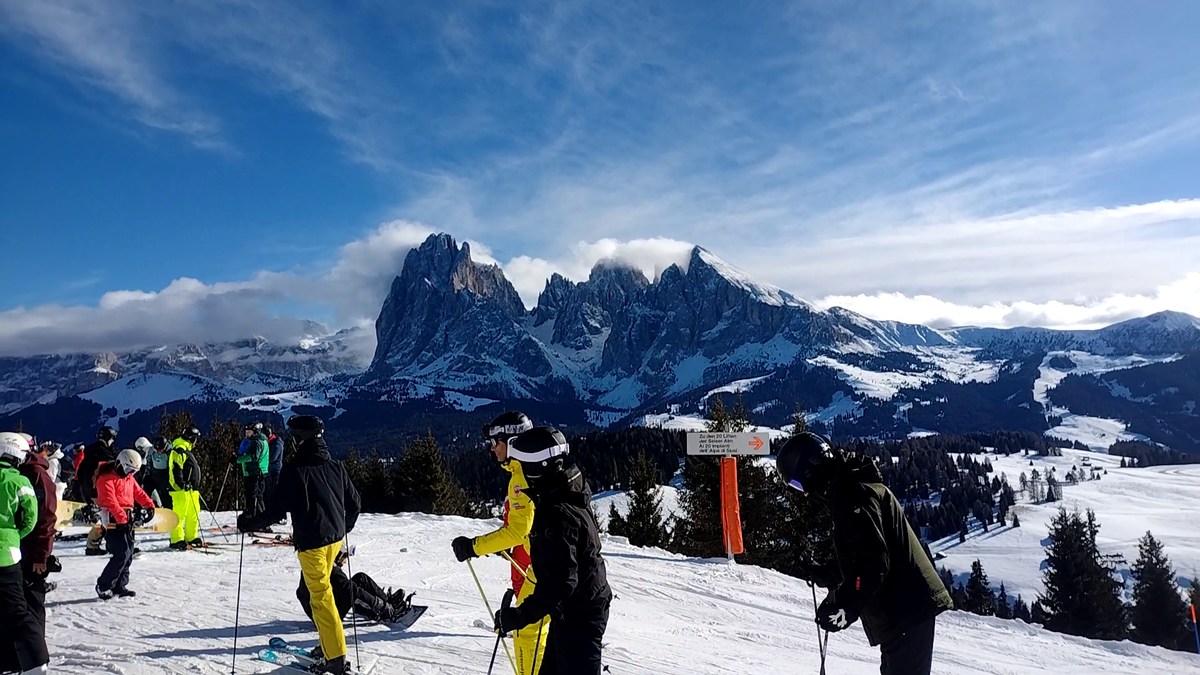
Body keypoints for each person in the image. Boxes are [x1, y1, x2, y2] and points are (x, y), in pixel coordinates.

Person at [775, 432, 953, 675]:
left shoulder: (851, 494)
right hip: (902, 607)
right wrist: (829, 573)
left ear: (810, 469)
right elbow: (863, 551)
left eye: (797, 484)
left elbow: (874, 562)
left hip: (905, 607)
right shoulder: (852, 485)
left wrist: (845, 607)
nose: (804, 493)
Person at [237, 415, 361, 675]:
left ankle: (336, 656)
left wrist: (249, 523)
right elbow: (355, 503)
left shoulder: (295, 470)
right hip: (334, 540)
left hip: (313, 543)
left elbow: (276, 510)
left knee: (320, 598)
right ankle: (328, 644)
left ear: (299, 439)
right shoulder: (335, 466)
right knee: (313, 592)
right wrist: (342, 527)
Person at [492, 426, 611, 675]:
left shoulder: (556, 513)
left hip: (580, 612)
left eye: (523, 464)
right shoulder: (565, 493)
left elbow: (562, 582)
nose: (520, 470)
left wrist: (520, 616)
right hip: (573, 608)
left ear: (536, 468)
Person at [452, 411, 548, 675]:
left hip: (540, 569)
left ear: (513, 442)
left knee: (527, 633)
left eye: (496, 442)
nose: (492, 449)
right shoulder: (530, 469)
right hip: (543, 565)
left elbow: (517, 532)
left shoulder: (521, 478)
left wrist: (473, 546)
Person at [0, 432, 50, 674]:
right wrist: (14, 537)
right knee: (18, 609)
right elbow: (31, 519)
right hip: (8, 556)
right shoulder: (20, 481)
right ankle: (36, 660)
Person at [94, 450, 155, 599]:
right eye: (128, 469)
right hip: (113, 521)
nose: (129, 473)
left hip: (126, 520)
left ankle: (119, 585)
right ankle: (104, 585)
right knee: (121, 554)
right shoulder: (105, 478)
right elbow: (110, 501)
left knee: (128, 554)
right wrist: (122, 519)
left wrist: (149, 505)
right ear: (119, 463)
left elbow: (138, 492)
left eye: (133, 472)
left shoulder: (128, 478)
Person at [296, 547, 412, 624]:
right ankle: (387, 608)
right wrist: (379, 605)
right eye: (344, 557)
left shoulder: (317, 565)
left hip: (319, 614)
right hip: (327, 619)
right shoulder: (332, 570)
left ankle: (386, 603)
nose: (345, 561)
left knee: (359, 579)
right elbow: (352, 590)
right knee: (353, 588)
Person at [17, 433, 57, 635]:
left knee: (31, 601)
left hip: (31, 551)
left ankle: (35, 653)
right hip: (16, 550)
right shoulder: (18, 472)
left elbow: (46, 518)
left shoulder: (36, 475)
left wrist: (42, 555)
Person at [77, 425, 119, 556]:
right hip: (99, 490)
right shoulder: (104, 453)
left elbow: (80, 473)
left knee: (101, 517)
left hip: (89, 490)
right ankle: (98, 545)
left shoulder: (89, 453)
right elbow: (114, 469)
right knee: (106, 518)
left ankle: (94, 544)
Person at [167, 427, 203, 550]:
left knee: (193, 514)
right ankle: (176, 539)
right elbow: (176, 469)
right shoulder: (179, 450)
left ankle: (191, 536)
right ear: (192, 439)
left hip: (191, 490)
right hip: (181, 490)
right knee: (179, 515)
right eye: (196, 439)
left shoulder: (186, 450)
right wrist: (181, 484)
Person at [236, 422, 269, 524]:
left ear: (255, 432)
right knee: (257, 497)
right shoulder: (261, 440)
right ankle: (259, 520)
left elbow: (253, 457)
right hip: (258, 472)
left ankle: (257, 520)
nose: (247, 434)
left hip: (255, 473)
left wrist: (238, 460)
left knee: (253, 497)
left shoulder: (257, 442)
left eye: (249, 431)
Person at [138, 436, 173, 509]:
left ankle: (168, 510)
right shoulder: (152, 450)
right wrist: (147, 475)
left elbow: (172, 466)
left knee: (164, 496)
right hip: (153, 475)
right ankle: (143, 507)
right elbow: (149, 461)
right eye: (157, 449)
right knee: (145, 492)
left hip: (164, 477)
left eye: (160, 449)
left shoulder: (170, 452)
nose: (158, 451)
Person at [264, 424, 285, 504]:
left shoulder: (277, 444)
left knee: (273, 491)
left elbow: (273, 458)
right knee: (268, 491)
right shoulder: (270, 443)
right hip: (269, 470)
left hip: (275, 471)